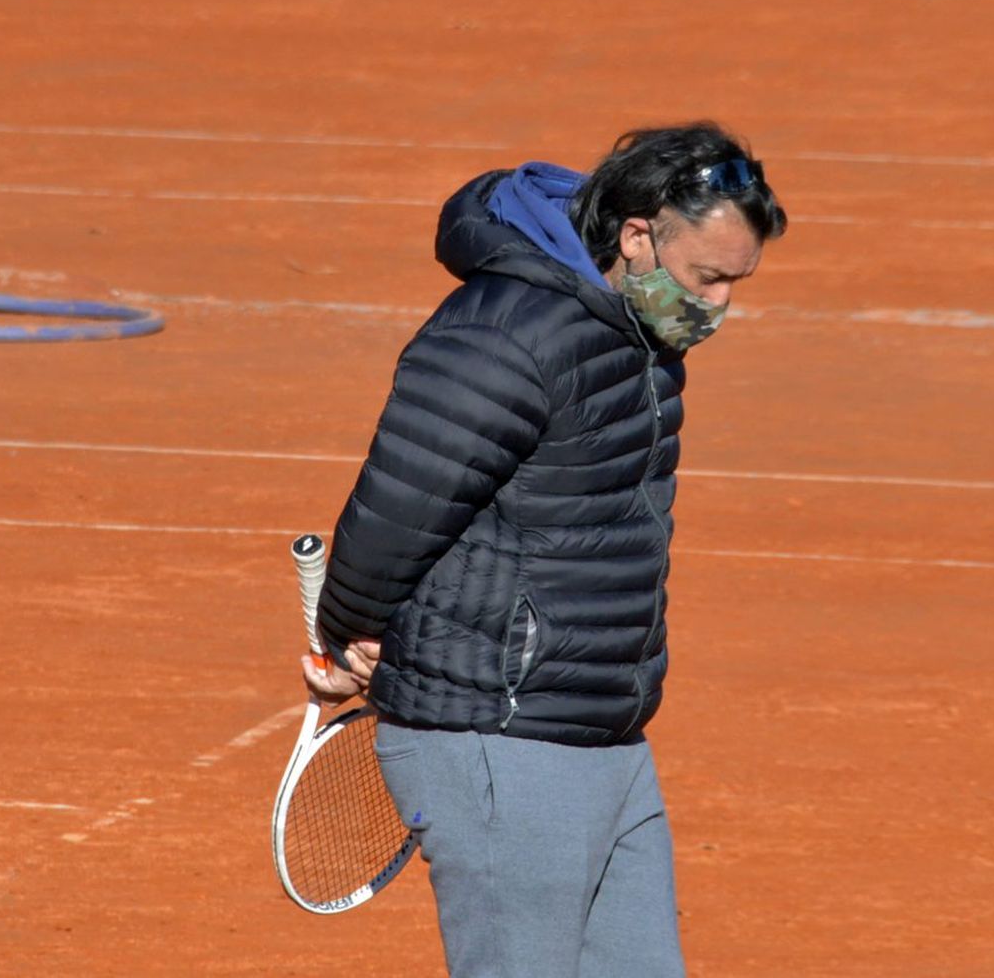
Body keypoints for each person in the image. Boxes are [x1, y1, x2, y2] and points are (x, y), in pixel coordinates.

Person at [303, 122, 788, 977]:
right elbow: (398, 505)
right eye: (707, 277)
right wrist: (348, 633)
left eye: (735, 282)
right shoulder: (506, 335)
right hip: (501, 739)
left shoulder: (638, 331)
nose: (717, 305)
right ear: (638, 235)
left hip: (602, 732)